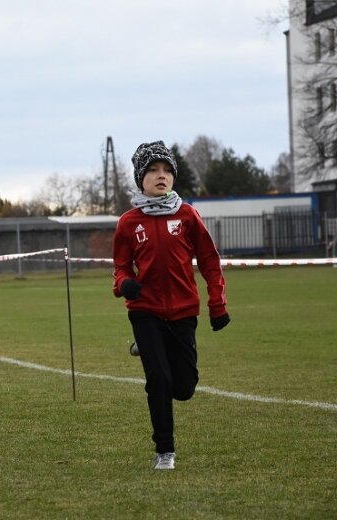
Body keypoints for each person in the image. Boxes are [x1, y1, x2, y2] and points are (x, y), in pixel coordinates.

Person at [112, 141, 230, 471]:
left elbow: (209, 260)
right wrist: (125, 284)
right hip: (144, 309)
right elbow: (120, 268)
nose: (161, 176)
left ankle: (149, 348)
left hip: (183, 311)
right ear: (140, 178)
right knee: (159, 380)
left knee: (184, 387)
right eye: (153, 170)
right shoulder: (128, 222)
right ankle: (165, 450)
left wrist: (217, 304)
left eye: (167, 170)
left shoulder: (188, 214)